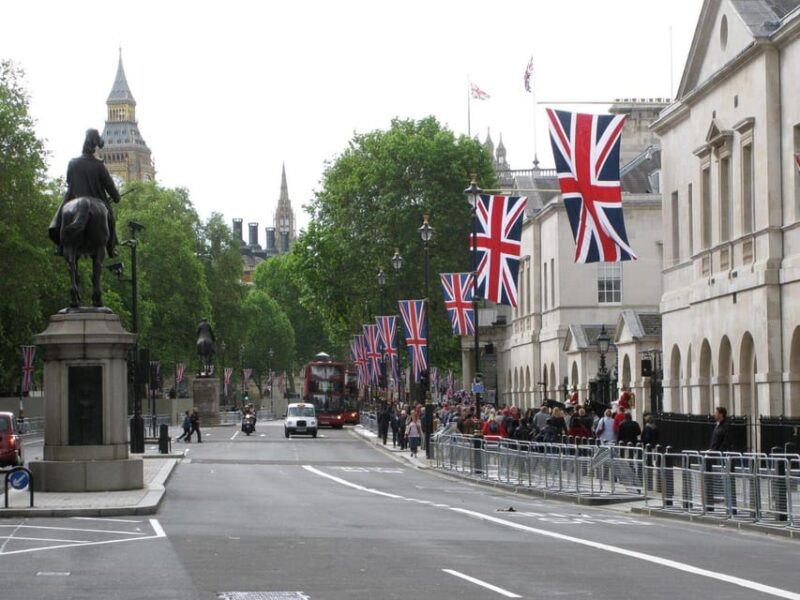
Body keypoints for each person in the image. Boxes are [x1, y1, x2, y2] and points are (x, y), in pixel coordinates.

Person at [49, 129, 121, 258]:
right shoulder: (99, 165)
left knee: (60, 217)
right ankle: (111, 248)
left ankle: (60, 245)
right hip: (97, 200)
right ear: (95, 146)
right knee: (110, 220)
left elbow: (69, 181)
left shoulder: (73, 162)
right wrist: (116, 197)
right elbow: (110, 186)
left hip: (73, 197)